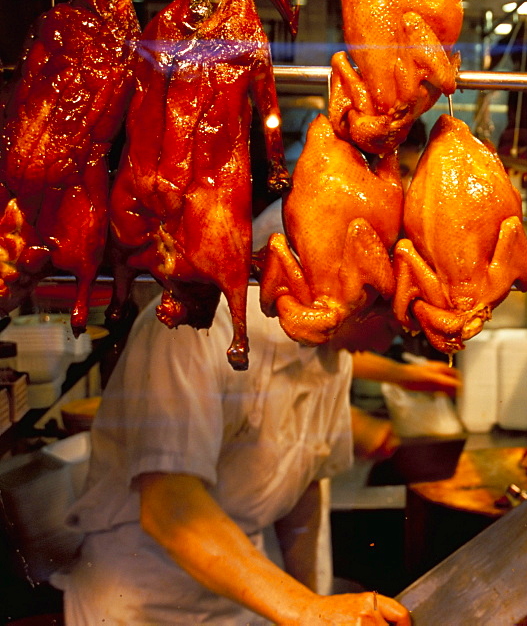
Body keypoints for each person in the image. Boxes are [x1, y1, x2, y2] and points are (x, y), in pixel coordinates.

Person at [54, 206, 460, 625]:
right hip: (143, 605)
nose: (380, 348)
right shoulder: (196, 329)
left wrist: (313, 601)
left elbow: (304, 498)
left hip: (242, 603)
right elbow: (170, 508)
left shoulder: (329, 357)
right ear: (349, 286)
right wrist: (304, 610)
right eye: (390, 330)